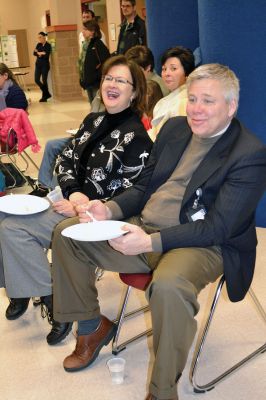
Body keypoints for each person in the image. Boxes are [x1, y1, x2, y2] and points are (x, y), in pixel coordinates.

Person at [51, 64, 266, 400]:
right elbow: (142, 187)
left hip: (203, 244)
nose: (195, 109)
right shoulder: (175, 130)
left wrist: (149, 241)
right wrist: (110, 209)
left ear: (231, 106)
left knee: (167, 286)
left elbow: (218, 227)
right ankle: (92, 329)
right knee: (69, 236)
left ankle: (163, 391)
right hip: (144, 227)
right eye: (192, 98)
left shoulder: (248, 154)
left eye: (207, 101)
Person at [0, 55, 153, 346]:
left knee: (13, 229)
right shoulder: (93, 119)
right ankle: (35, 290)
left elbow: (129, 192)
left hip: (97, 218)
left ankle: (53, 300)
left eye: (121, 81)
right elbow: (65, 159)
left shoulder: (137, 137)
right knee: (4, 218)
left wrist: (83, 203)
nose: (111, 84)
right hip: (70, 203)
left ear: (134, 92)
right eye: (109, 78)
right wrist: (73, 193)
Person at [148, 46, 195, 141]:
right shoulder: (163, 101)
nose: (166, 74)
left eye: (173, 69)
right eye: (164, 69)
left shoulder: (188, 101)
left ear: (187, 72)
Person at [79, 20, 110, 103]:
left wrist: (96, 77)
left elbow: (106, 62)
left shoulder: (98, 44)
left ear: (92, 31)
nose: (83, 32)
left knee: (97, 107)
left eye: (85, 29)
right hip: (88, 82)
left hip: (96, 83)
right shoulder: (86, 45)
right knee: (92, 106)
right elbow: (83, 63)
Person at [33, 32, 52, 102]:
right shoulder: (38, 44)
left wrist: (39, 53)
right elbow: (34, 53)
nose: (39, 39)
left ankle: (44, 97)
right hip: (38, 65)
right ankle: (47, 93)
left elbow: (46, 55)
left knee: (44, 81)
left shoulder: (48, 45)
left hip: (45, 65)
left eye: (40, 37)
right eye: (38, 37)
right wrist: (41, 53)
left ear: (44, 37)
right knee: (36, 80)